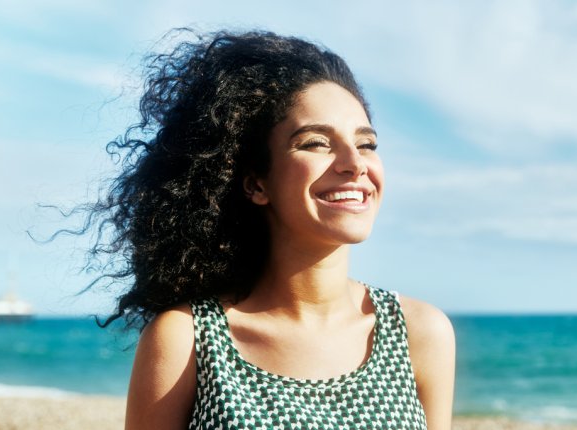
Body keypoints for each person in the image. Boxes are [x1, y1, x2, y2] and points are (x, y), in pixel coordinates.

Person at [96, 29, 455, 429]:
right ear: (256, 183)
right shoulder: (188, 338)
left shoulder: (420, 333)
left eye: (367, 144)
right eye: (316, 142)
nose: (354, 163)